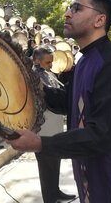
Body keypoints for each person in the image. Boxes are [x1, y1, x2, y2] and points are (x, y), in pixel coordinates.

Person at [7, 0, 111, 202]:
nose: (67, 13)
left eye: (76, 8)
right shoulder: (85, 60)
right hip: (94, 177)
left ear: (99, 20)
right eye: (69, 7)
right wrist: (25, 81)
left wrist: (41, 143)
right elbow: (66, 101)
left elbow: (103, 134)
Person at [32, 47, 76, 203]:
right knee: (46, 164)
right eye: (47, 62)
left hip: (55, 124)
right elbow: (47, 97)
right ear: (37, 61)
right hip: (44, 127)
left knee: (54, 161)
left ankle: (55, 191)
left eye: (51, 61)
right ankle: (49, 198)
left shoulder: (47, 73)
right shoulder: (34, 76)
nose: (51, 65)